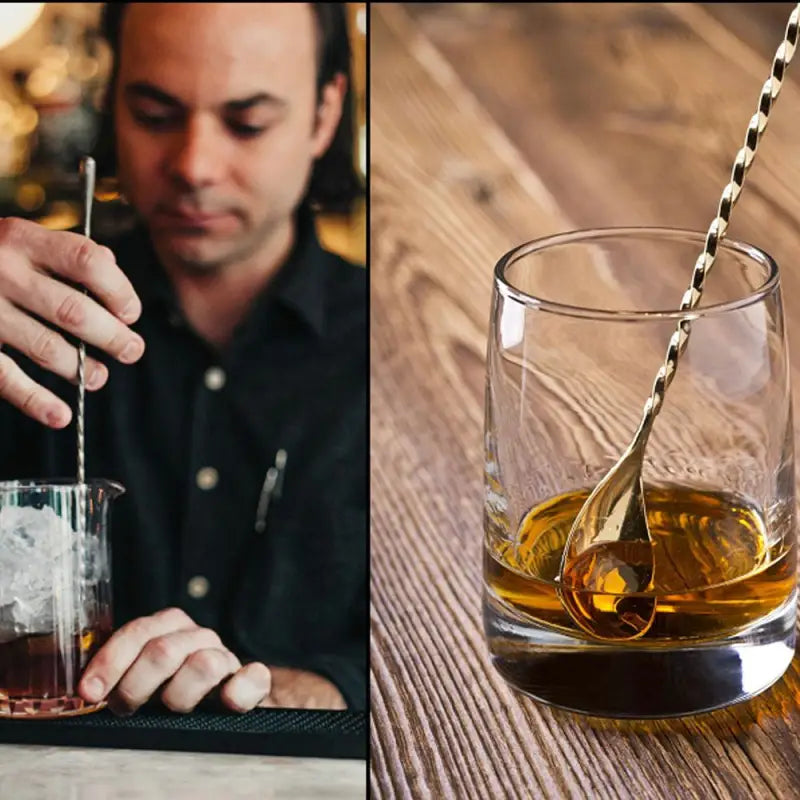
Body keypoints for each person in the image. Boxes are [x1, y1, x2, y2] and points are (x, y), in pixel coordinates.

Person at [0, 2, 366, 714]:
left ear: (325, 114)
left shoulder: (398, 351)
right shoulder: (24, 320)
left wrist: (287, 696)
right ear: (112, 105)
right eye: (156, 115)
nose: (194, 166)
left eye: (248, 123)